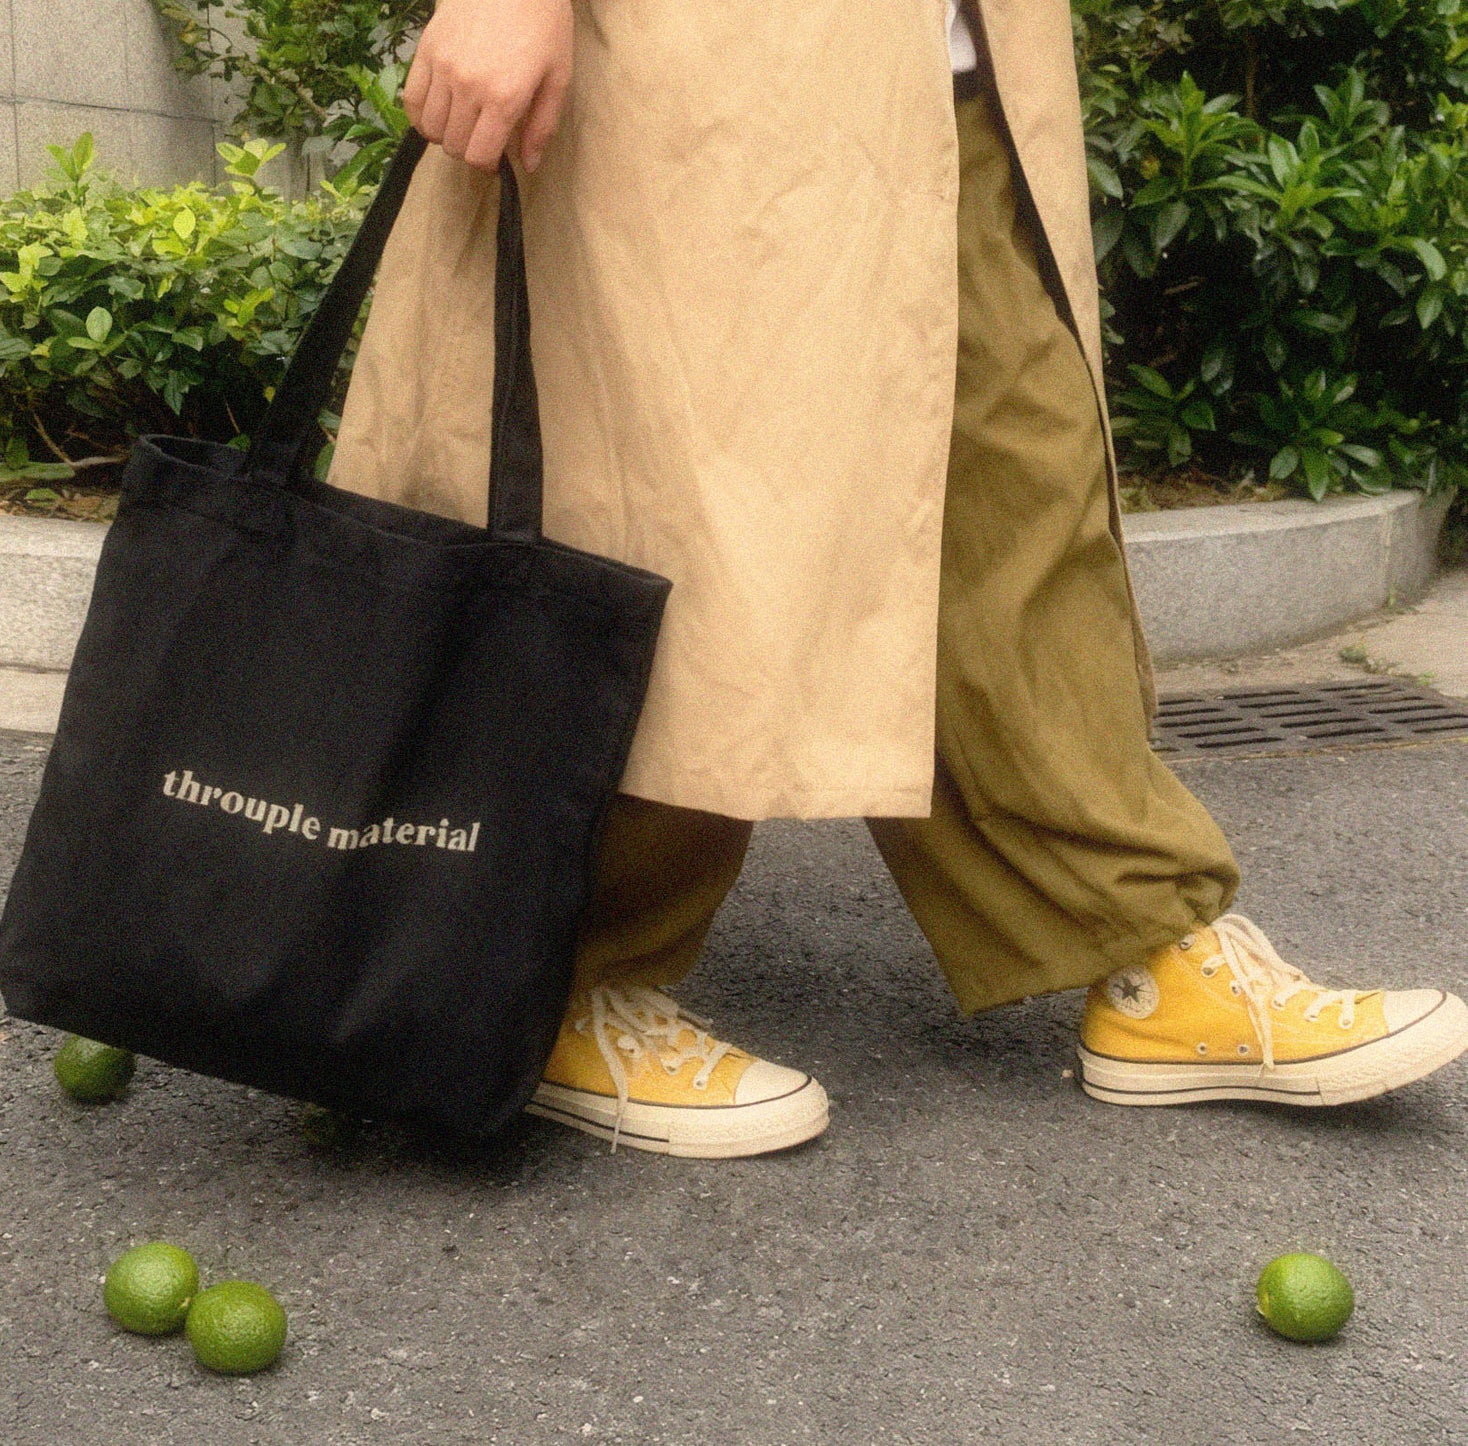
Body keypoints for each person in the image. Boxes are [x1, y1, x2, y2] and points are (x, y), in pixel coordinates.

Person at [328, 0, 1468, 1156]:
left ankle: (1137, 938)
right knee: (672, 500)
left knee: (1020, 480)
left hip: (954, 59)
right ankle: (555, 980)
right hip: (702, 59)